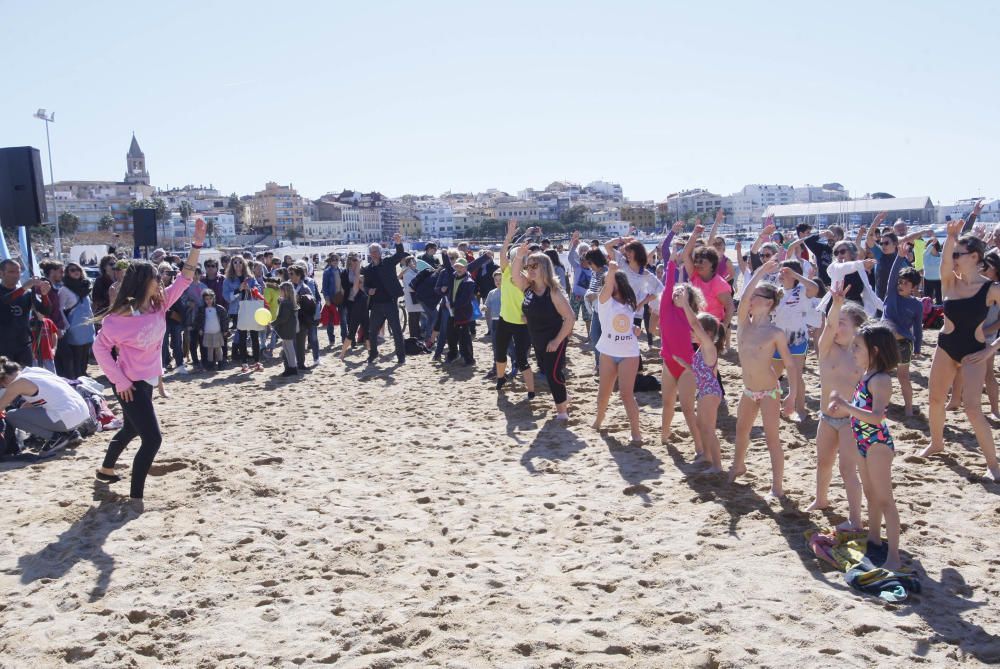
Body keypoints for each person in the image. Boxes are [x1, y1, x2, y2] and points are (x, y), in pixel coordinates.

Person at [92, 218, 206, 510]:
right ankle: (136, 499)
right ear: (145, 282)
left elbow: (185, 278)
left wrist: (197, 244)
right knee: (153, 439)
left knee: (131, 430)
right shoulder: (118, 319)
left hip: (147, 380)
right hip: (129, 385)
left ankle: (105, 470)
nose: (162, 282)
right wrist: (119, 381)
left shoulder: (159, 304)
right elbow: (99, 349)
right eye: (158, 278)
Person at [923, 219, 1000, 480]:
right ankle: (936, 443)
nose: (954, 258)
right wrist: (951, 238)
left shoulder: (991, 289)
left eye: (959, 254)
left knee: (972, 409)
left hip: (974, 351)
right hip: (946, 347)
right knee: (935, 400)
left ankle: (993, 464)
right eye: (953, 254)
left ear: (975, 257)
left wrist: (991, 349)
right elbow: (944, 263)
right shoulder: (950, 282)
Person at [827, 322, 902, 570]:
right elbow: (861, 408)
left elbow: (877, 417)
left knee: (885, 500)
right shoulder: (867, 375)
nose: (853, 351)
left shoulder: (881, 380)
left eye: (858, 347)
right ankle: (874, 538)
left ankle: (894, 556)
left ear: (875, 350)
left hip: (877, 444)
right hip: (863, 442)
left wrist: (846, 407)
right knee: (871, 494)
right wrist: (843, 405)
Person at [728, 261, 798, 497]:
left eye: (756, 297)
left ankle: (777, 486)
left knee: (771, 439)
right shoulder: (743, 324)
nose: (750, 299)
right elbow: (743, 297)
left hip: (769, 391)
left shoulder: (775, 333)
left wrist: (792, 395)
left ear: (768, 303)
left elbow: (790, 365)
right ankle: (738, 466)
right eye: (751, 296)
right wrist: (759, 272)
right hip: (748, 390)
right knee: (741, 431)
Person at [806, 287, 868, 531]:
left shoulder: (862, 356)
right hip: (826, 418)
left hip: (851, 421)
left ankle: (855, 518)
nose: (836, 327)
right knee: (823, 462)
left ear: (856, 329)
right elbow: (829, 326)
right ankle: (821, 499)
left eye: (843, 323)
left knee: (847, 469)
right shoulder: (826, 348)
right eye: (835, 321)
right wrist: (836, 304)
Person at [510, 245, 575, 419]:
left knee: (553, 375)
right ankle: (564, 396)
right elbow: (514, 275)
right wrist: (519, 257)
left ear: (544, 267)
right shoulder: (528, 287)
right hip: (537, 339)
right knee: (549, 372)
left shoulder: (553, 292)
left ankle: (562, 413)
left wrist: (557, 341)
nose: (530, 270)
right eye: (528, 266)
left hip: (554, 340)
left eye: (534, 266)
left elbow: (570, 318)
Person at [592, 260, 643, 444]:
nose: (607, 284)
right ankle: (599, 420)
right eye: (606, 281)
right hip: (607, 352)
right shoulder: (604, 301)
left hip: (629, 353)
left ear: (620, 283)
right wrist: (611, 271)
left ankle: (636, 433)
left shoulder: (629, 303)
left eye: (611, 280)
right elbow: (606, 288)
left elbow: (629, 325)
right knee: (603, 393)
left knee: (626, 394)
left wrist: (636, 329)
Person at [0, 357, 89, 456]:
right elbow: (48, 394)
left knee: (11, 416)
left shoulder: (17, 384)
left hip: (68, 417)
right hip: (82, 412)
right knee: (22, 412)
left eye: (2, 385)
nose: (4, 387)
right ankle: (70, 433)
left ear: (4, 378)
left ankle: (56, 437)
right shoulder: (34, 371)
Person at [771, 260, 820, 418]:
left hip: (797, 340)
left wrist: (796, 275)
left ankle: (800, 410)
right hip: (778, 341)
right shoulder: (776, 292)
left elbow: (815, 288)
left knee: (796, 376)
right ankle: (774, 405)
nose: (781, 274)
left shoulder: (802, 291)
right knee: (773, 377)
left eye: (785, 272)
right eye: (780, 271)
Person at [494, 221, 535, 397]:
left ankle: (531, 391)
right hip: (504, 319)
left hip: (522, 323)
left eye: (519, 257)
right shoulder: (506, 270)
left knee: (521, 358)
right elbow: (502, 253)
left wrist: (530, 316)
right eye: (515, 256)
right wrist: (509, 236)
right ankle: (500, 378)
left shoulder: (528, 276)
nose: (515, 259)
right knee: (500, 353)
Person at [881, 246, 923, 416]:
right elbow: (892, 276)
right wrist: (899, 257)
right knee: (880, 375)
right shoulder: (891, 294)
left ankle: (908, 409)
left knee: (903, 377)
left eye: (906, 283)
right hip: (884, 342)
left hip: (904, 344)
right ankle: (879, 404)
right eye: (900, 282)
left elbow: (918, 328)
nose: (901, 285)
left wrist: (918, 348)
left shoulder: (917, 304)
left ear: (913, 287)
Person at [361, 233, 407, 365]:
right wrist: (368, 290)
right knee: (372, 331)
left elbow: (399, 255)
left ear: (380, 252)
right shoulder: (368, 269)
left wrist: (398, 243)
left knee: (396, 331)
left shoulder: (387, 262)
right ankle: (373, 354)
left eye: (376, 251)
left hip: (390, 302)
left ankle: (401, 357)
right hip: (376, 305)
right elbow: (365, 285)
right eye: (372, 252)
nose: (374, 254)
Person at [0, 260, 54, 367]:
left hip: (23, 344)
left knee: (25, 374)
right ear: (1, 273)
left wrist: (44, 295)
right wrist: (24, 287)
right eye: (11, 272)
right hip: (3, 345)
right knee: (5, 376)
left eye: (18, 272)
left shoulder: (27, 293)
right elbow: (5, 301)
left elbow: (46, 311)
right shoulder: (21, 290)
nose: (16, 275)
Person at [223, 256, 263, 374]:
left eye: (240, 262)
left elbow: (259, 289)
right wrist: (238, 289)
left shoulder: (250, 277)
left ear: (244, 264)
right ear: (232, 264)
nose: (238, 264)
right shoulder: (228, 280)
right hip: (237, 310)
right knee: (242, 336)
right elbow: (227, 297)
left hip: (251, 308)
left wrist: (253, 289)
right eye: (235, 262)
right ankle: (244, 363)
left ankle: (257, 361)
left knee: (255, 335)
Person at [57, 262, 96, 379]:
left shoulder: (86, 286)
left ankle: (84, 373)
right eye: (72, 270)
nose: (76, 272)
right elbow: (59, 309)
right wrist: (66, 325)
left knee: (85, 352)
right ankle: (78, 377)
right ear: (67, 273)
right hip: (74, 326)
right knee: (77, 353)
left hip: (87, 325)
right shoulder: (64, 289)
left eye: (78, 269)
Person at [340, 255, 370, 361]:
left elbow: (360, 277)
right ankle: (342, 354)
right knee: (351, 332)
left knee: (367, 332)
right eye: (360, 281)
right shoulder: (356, 290)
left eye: (362, 282)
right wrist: (357, 265)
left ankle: (370, 351)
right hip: (355, 311)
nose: (361, 282)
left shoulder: (364, 292)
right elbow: (356, 277)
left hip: (364, 312)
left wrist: (358, 266)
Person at [193, 289, 227, 371]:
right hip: (207, 332)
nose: (208, 301)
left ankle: (221, 363)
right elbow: (198, 321)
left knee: (218, 348)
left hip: (217, 332)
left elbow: (224, 320)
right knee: (209, 349)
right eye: (206, 299)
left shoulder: (220, 309)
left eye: (210, 298)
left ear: (213, 298)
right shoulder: (202, 310)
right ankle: (211, 364)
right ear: (204, 300)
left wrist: (225, 330)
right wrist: (200, 329)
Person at [273, 281, 300, 377]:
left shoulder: (287, 303)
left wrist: (273, 323)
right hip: (288, 328)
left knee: (289, 348)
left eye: (281, 290)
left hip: (287, 328)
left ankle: (293, 368)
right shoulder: (287, 302)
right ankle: (291, 367)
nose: (279, 292)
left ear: (286, 291)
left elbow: (283, 318)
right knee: (286, 347)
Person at [321, 253, 345, 347]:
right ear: (330, 261)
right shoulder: (327, 272)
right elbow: (324, 287)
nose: (335, 261)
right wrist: (326, 298)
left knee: (343, 319)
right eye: (333, 260)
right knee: (330, 320)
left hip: (341, 298)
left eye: (337, 259)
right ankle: (331, 340)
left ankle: (344, 339)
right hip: (331, 298)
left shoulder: (342, 270)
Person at [399, 256, 423, 338]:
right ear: (408, 263)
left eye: (415, 261)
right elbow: (410, 286)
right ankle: (413, 336)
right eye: (412, 261)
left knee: (417, 317)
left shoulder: (416, 271)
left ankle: (418, 335)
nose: (414, 263)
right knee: (413, 317)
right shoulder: (406, 272)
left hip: (417, 296)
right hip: (410, 297)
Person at [923, 238, 943, 304]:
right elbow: (927, 249)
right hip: (928, 280)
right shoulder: (925, 255)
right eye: (929, 245)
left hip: (939, 280)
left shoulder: (942, 255)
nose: (928, 247)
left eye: (932, 245)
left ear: (936, 246)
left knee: (940, 300)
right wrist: (932, 243)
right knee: (927, 300)